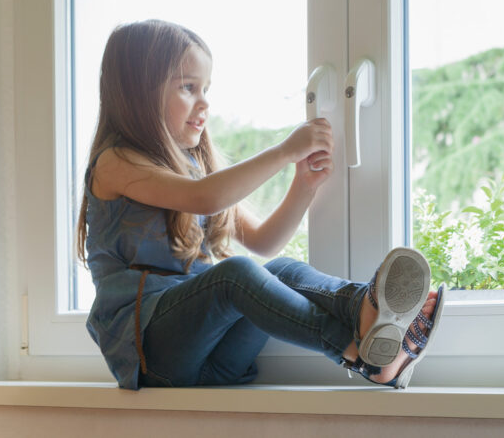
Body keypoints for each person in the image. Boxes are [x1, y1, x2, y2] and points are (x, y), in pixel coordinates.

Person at [76, 19, 445, 390]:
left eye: (206, 88)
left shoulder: (193, 169)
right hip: (152, 352)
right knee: (235, 275)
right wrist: (284, 151)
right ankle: (360, 355)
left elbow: (263, 241)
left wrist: (303, 186)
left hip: (214, 358)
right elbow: (206, 197)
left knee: (281, 268)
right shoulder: (114, 163)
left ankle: (362, 307)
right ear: (138, 92)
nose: (204, 102)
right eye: (188, 87)